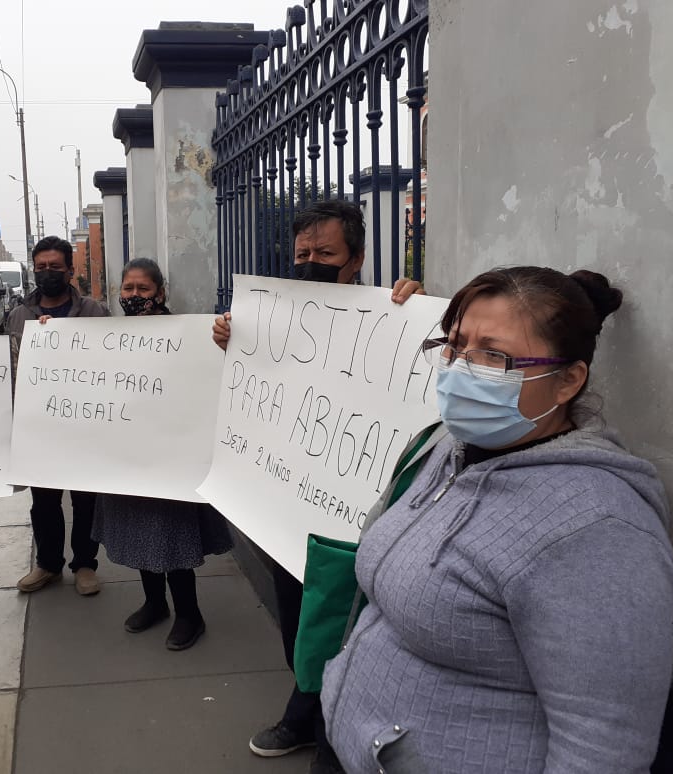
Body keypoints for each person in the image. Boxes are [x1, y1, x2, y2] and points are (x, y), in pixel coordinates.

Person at [321, 267, 673, 773]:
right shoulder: (448, 448)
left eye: (494, 355)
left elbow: (604, 749)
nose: (460, 368)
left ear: (568, 381)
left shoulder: (598, 528)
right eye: (456, 345)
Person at [212, 200, 423, 774]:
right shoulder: (274, 316)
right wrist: (231, 339)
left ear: (355, 260)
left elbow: (433, 356)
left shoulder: (395, 312)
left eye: (325, 254)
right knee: (296, 621)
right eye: (302, 253)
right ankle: (307, 706)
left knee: (343, 627)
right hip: (287, 509)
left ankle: (323, 725)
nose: (310, 263)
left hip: (351, 518)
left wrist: (421, 309)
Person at [92, 258, 234, 651]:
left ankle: (190, 614)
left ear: (161, 293)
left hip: (171, 458)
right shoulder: (105, 337)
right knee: (138, 534)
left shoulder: (187, 334)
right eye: (128, 289)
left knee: (170, 537)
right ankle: (154, 603)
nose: (134, 297)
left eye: (144, 289)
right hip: (125, 457)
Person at [6, 236, 109, 597]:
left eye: (55, 267)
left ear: (70, 270)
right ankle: (48, 564)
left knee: (85, 501)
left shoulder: (94, 311)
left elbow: (113, 361)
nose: (47, 272)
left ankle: (84, 564)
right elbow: (3, 366)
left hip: (84, 424)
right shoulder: (19, 316)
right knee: (45, 502)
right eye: (41, 267)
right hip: (39, 429)